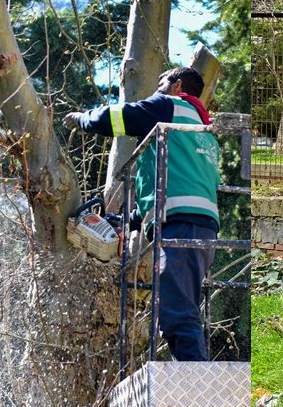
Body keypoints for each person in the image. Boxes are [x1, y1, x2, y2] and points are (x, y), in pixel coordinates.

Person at [63, 67, 220, 362]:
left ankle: (195, 391)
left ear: (178, 85)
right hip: (200, 228)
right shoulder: (204, 134)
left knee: (176, 313)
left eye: (161, 83)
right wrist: (127, 221)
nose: (156, 90)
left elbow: (119, 117)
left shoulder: (169, 107)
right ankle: (194, 382)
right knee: (180, 307)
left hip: (179, 228)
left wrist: (83, 120)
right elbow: (173, 188)